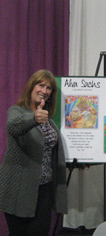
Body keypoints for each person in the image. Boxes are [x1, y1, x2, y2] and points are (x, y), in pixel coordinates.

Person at [0, 70, 68, 235]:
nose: (44, 91)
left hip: (44, 190)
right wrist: (34, 118)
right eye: (41, 85)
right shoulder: (16, 111)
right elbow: (13, 127)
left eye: (49, 88)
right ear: (31, 86)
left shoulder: (49, 120)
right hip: (19, 190)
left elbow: (51, 150)